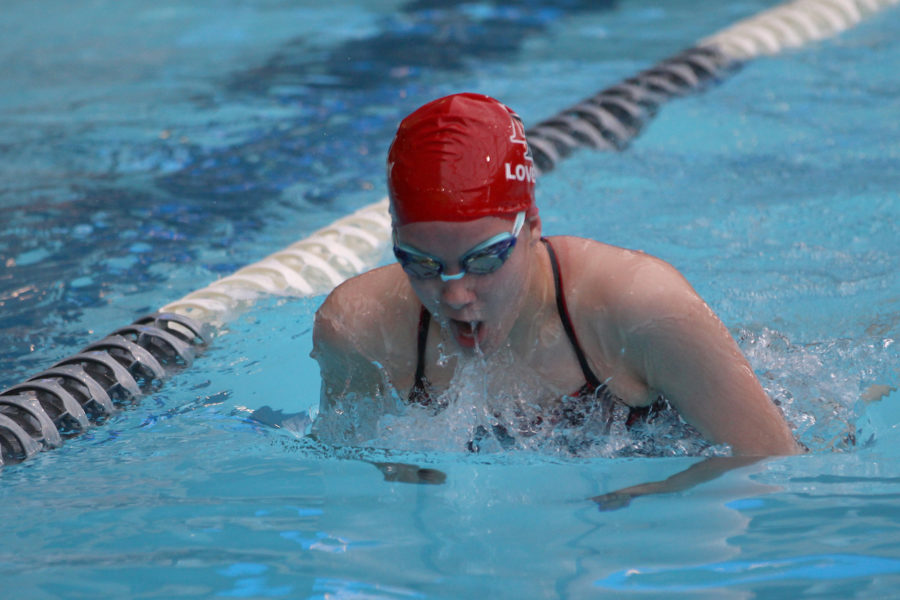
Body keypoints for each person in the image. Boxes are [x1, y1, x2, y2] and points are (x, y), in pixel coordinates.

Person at [311, 92, 800, 468]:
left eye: (483, 260)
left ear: (533, 225)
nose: (456, 294)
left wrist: (653, 496)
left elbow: (777, 468)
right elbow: (356, 480)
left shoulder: (642, 309)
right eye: (421, 263)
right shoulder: (360, 332)